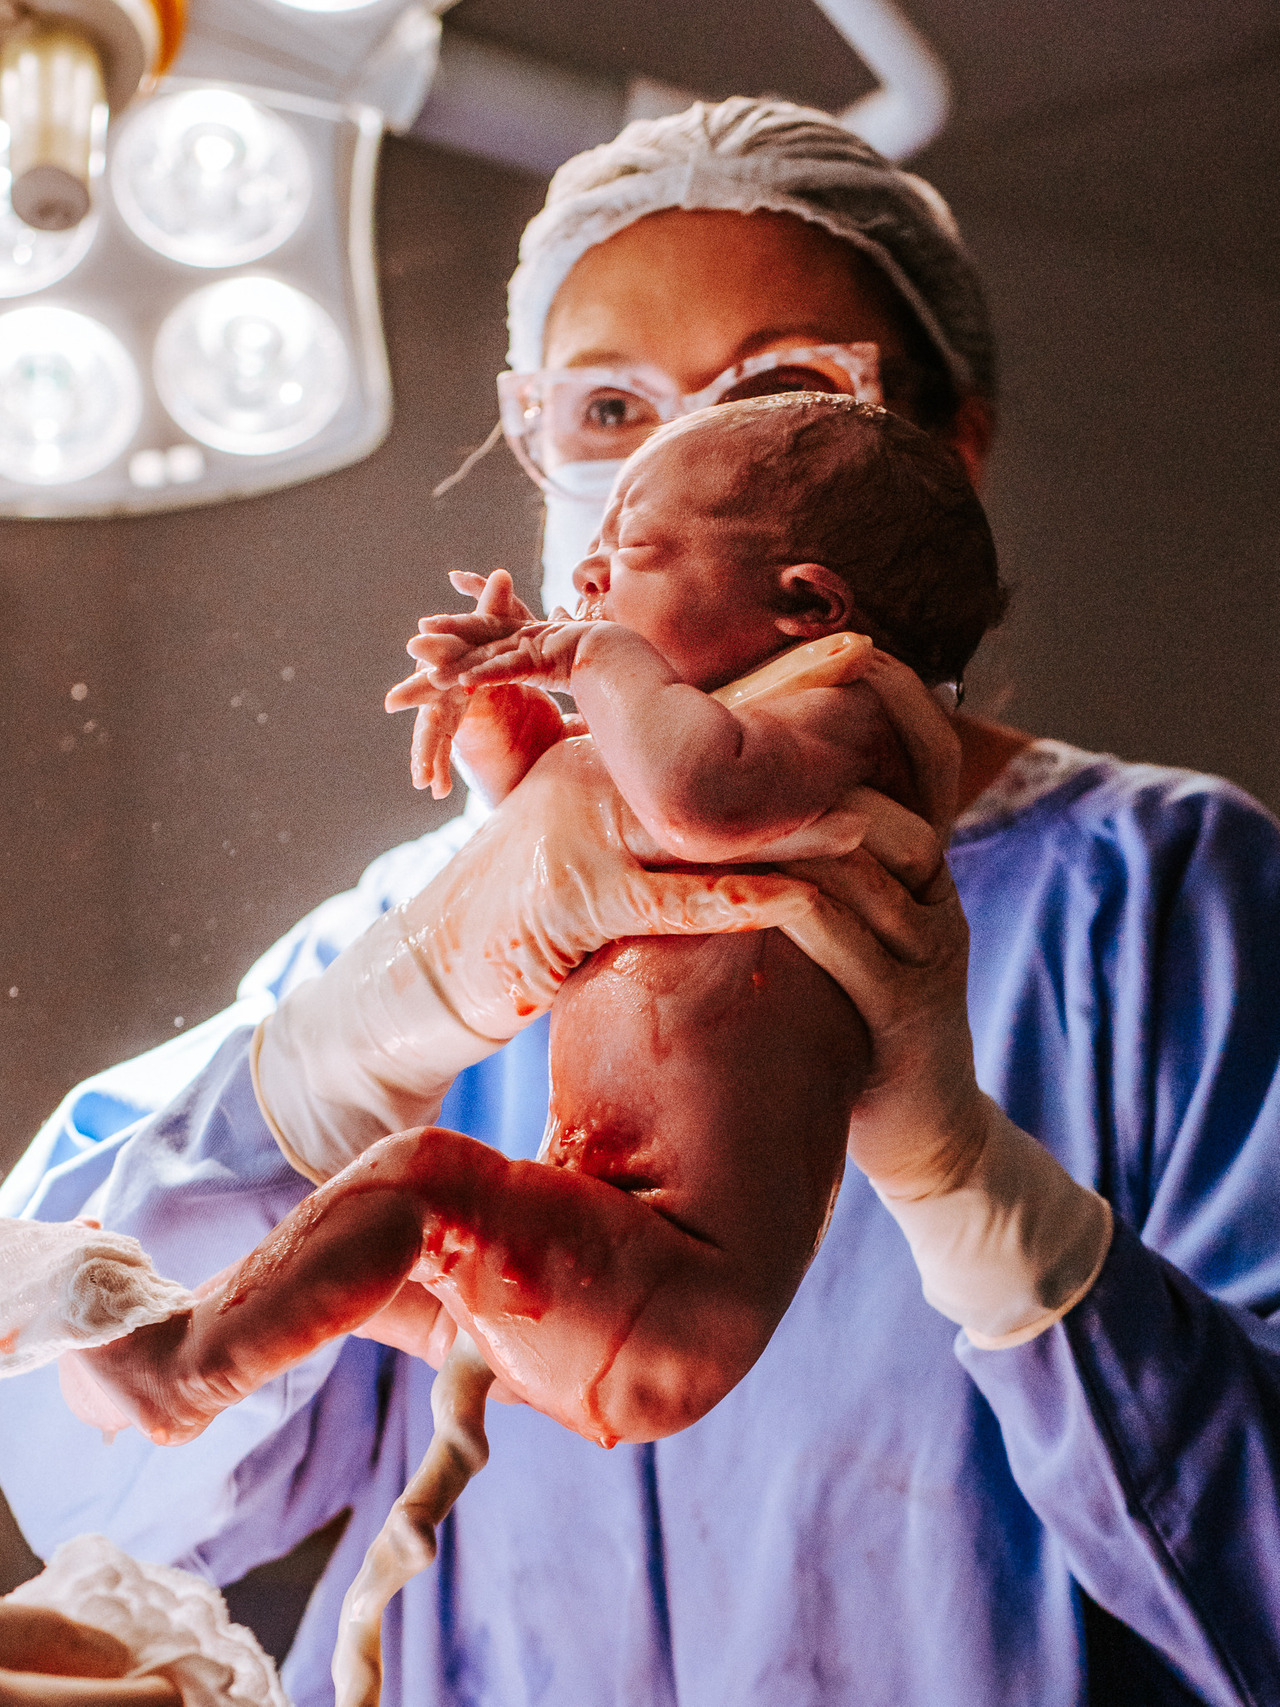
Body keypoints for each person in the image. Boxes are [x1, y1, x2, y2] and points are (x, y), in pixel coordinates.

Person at [2, 95, 1279, 1707]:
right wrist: (355, 1040)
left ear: (945, 455)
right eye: (605, 409)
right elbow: (84, 1447)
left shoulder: (1161, 902)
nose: (663, 457)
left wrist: (982, 1204)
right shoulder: (430, 917)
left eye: (785, 388)